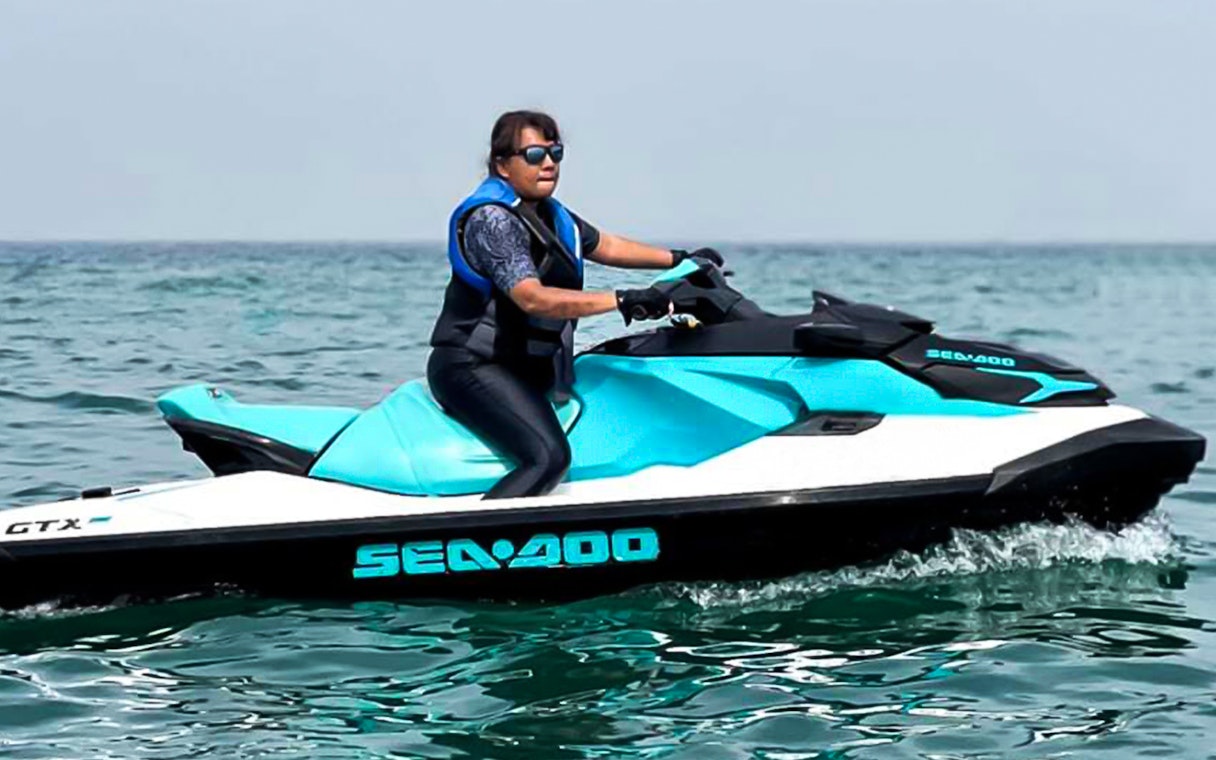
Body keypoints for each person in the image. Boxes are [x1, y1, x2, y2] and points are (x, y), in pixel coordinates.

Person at [427, 110, 724, 500]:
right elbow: (531, 296)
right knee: (548, 458)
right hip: (473, 367)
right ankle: (482, 546)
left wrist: (680, 259)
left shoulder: (551, 214)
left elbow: (607, 245)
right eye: (534, 155)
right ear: (503, 164)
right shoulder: (492, 220)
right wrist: (621, 301)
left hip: (523, 368)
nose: (548, 163)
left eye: (556, 153)